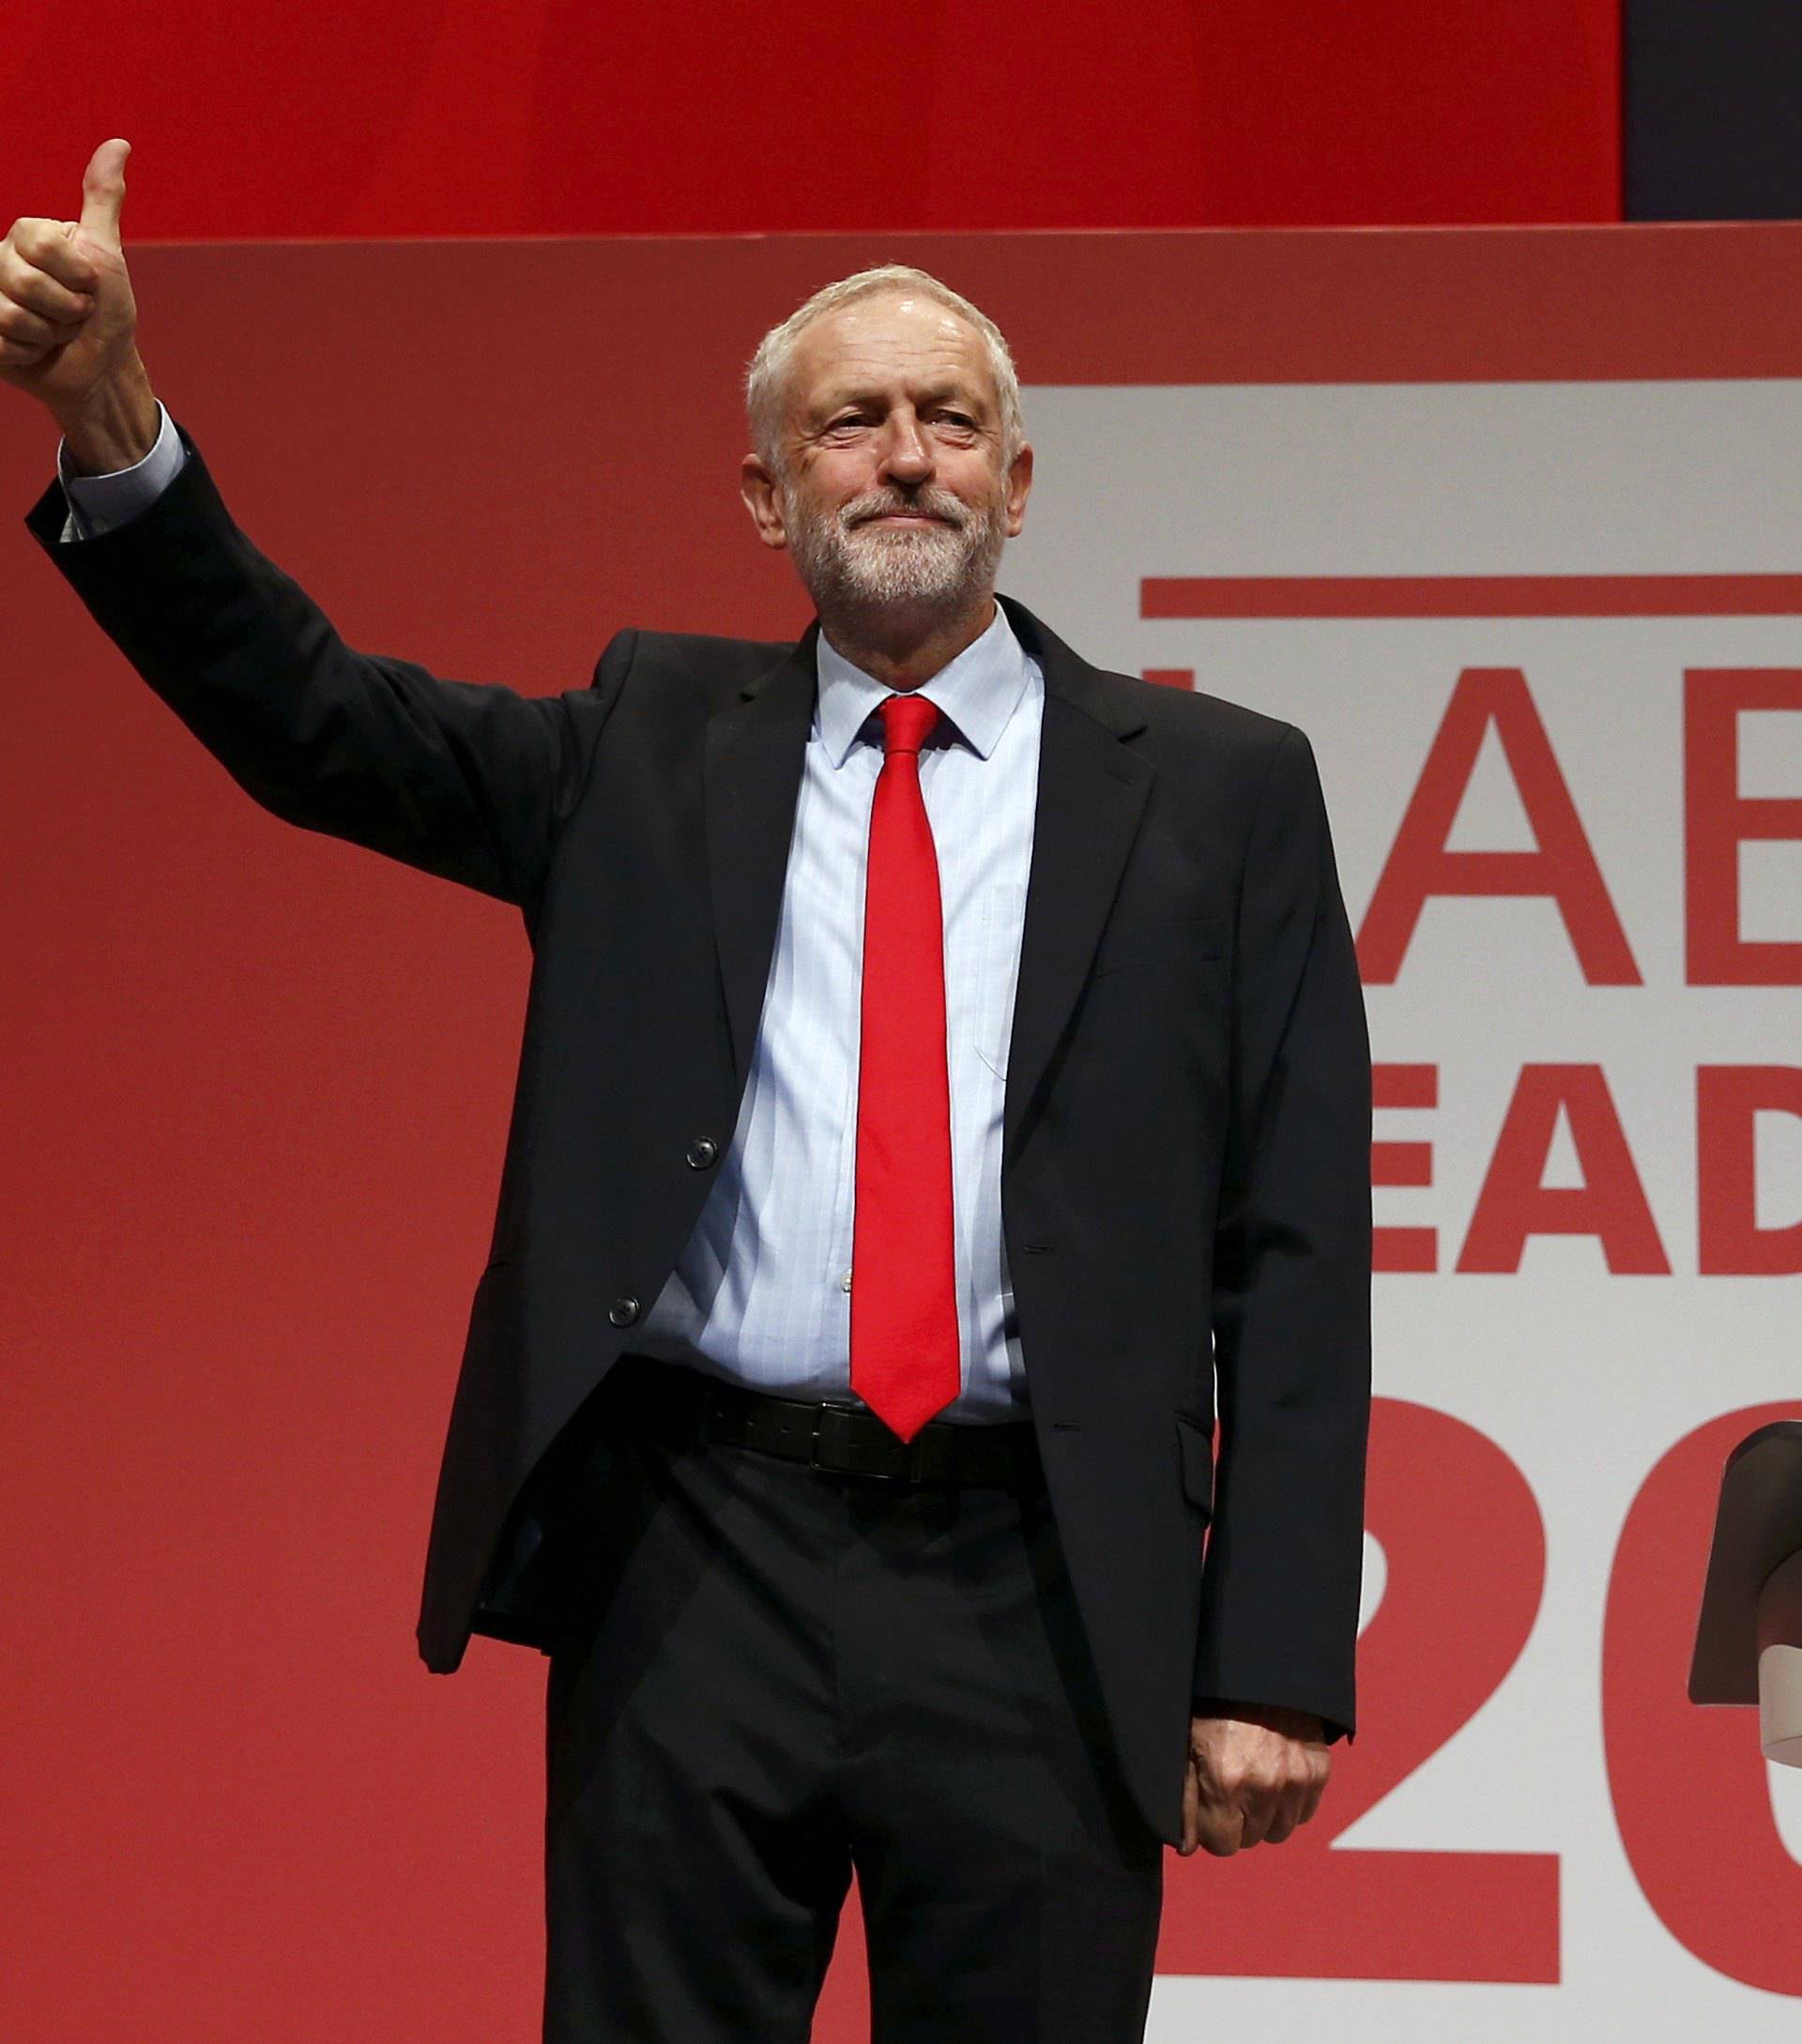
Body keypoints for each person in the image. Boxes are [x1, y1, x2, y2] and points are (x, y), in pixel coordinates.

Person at [4, 138, 1373, 2042]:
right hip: (700, 1566)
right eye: (850, 424)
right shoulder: (644, 746)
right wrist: (115, 419)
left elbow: (1299, 1244)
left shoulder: (1220, 795)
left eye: (950, 419)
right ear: (764, 493)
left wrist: (1278, 1661)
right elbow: (313, 720)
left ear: (1020, 480)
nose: (905, 454)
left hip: (1046, 1591)